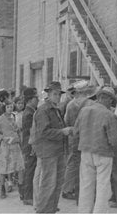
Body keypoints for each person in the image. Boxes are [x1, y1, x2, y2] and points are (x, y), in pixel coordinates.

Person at [75, 86, 117, 213]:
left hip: (85, 151)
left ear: (99, 97)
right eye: (111, 100)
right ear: (108, 99)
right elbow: (114, 140)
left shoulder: (84, 111)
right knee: (103, 186)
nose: (111, 103)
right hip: (103, 153)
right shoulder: (109, 115)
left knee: (86, 185)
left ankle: (84, 212)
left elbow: (76, 132)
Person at [34, 81, 73, 213]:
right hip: (48, 152)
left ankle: (50, 210)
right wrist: (62, 132)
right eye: (55, 94)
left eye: (59, 94)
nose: (58, 97)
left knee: (57, 183)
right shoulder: (43, 110)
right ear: (48, 94)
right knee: (48, 184)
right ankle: (42, 211)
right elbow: (43, 132)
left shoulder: (56, 109)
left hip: (58, 151)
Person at [62, 82, 98, 203]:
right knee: (86, 164)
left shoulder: (70, 104)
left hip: (73, 135)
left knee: (72, 162)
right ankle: (80, 190)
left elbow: (66, 120)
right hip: (87, 136)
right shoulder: (91, 104)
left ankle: (67, 188)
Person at [0, 100, 24, 199]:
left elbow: (17, 129)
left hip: (15, 145)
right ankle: (2, 189)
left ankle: (21, 191)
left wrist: (18, 137)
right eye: (7, 107)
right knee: (4, 168)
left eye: (11, 107)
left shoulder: (13, 117)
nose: (10, 109)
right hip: (5, 146)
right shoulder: (0, 119)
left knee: (20, 167)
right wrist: (2, 138)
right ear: (4, 108)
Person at [21, 88, 39, 206]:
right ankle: (27, 197)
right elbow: (29, 132)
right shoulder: (29, 113)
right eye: (36, 97)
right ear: (31, 99)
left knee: (30, 170)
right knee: (30, 171)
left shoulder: (31, 111)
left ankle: (25, 194)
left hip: (30, 144)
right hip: (30, 145)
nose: (38, 99)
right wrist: (32, 146)